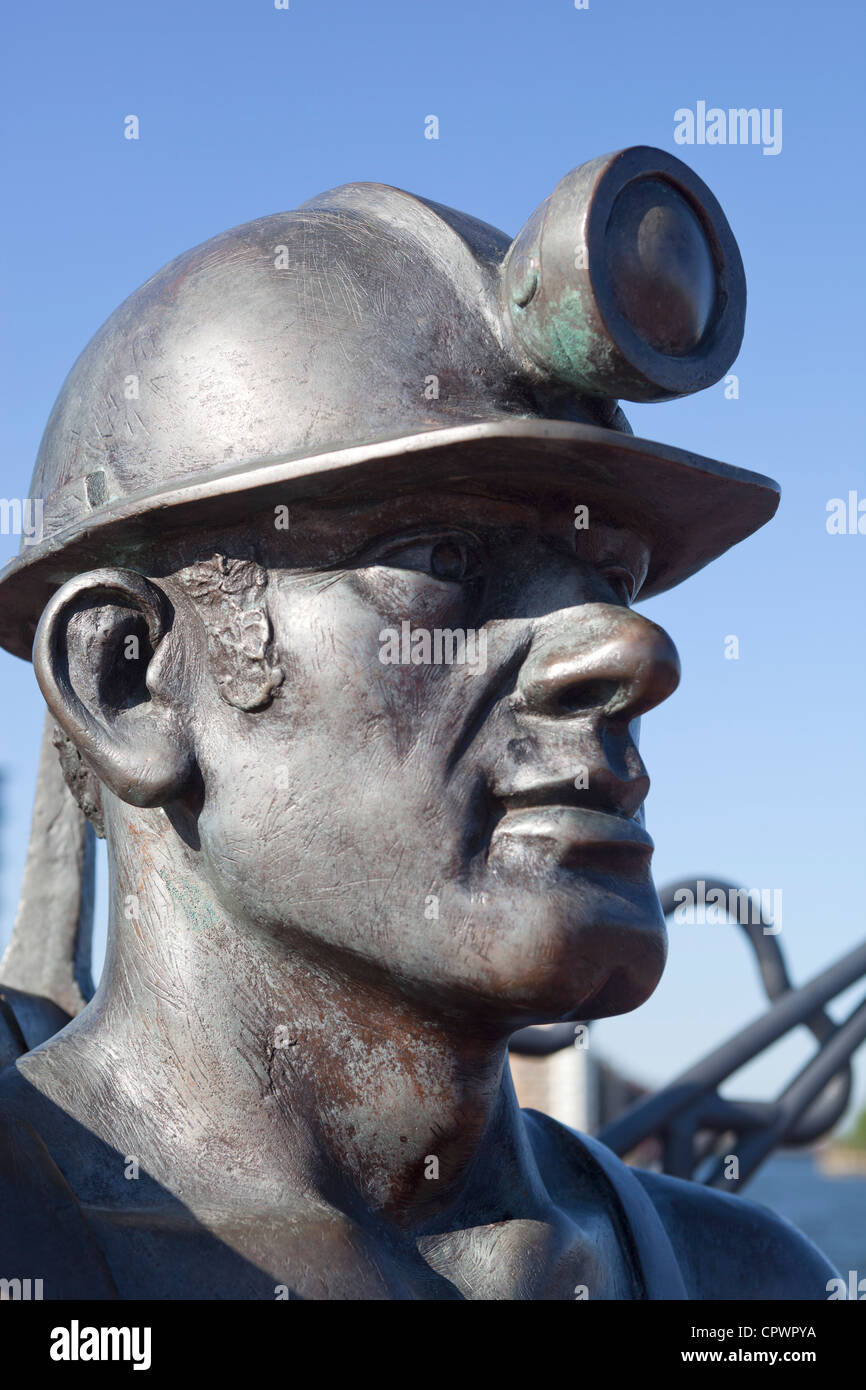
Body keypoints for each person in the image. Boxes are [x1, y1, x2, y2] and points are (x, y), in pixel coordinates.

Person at [0, 148, 837, 1298]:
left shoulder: (749, 1286)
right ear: (129, 681)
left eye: (615, 574)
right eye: (436, 556)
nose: (627, 650)